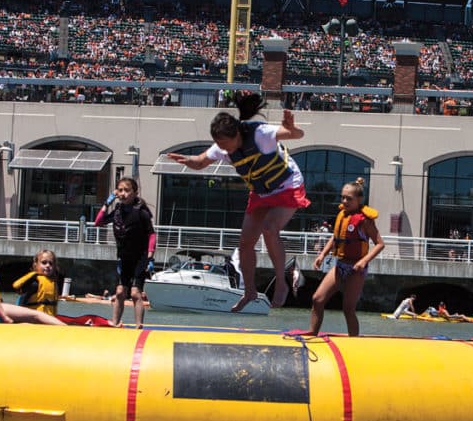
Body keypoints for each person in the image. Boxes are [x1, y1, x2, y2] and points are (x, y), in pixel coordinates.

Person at [167, 92, 308, 311]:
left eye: (225, 144)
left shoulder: (260, 134)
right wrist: (187, 161)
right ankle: (249, 291)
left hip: (287, 185)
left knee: (270, 228)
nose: (223, 150)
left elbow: (296, 134)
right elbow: (201, 162)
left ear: (236, 135)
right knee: (245, 242)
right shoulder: (222, 147)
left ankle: (282, 282)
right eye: (219, 145)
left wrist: (290, 127)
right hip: (261, 191)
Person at [306, 178, 385, 337]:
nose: (344, 201)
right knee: (317, 299)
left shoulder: (365, 220)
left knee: (348, 308)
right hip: (340, 265)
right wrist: (322, 254)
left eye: (349, 198)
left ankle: (353, 340)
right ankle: (313, 333)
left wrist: (363, 261)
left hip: (356, 269)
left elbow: (380, 244)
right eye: (343, 197)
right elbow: (335, 237)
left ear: (359, 199)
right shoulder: (341, 215)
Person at [95, 177, 155, 328]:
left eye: (127, 190)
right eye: (120, 190)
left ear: (135, 193)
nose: (123, 193)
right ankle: (115, 323)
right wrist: (107, 202)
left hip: (140, 257)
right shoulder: (117, 212)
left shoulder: (141, 212)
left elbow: (151, 234)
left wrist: (150, 255)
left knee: (135, 293)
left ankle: (139, 325)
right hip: (124, 257)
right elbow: (98, 222)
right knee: (120, 292)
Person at [12, 249, 60, 316]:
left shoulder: (53, 282)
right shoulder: (35, 283)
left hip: (49, 319)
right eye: (44, 262)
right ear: (35, 265)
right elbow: (22, 300)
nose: (48, 265)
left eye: (51, 263)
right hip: (35, 321)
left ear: (54, 266)